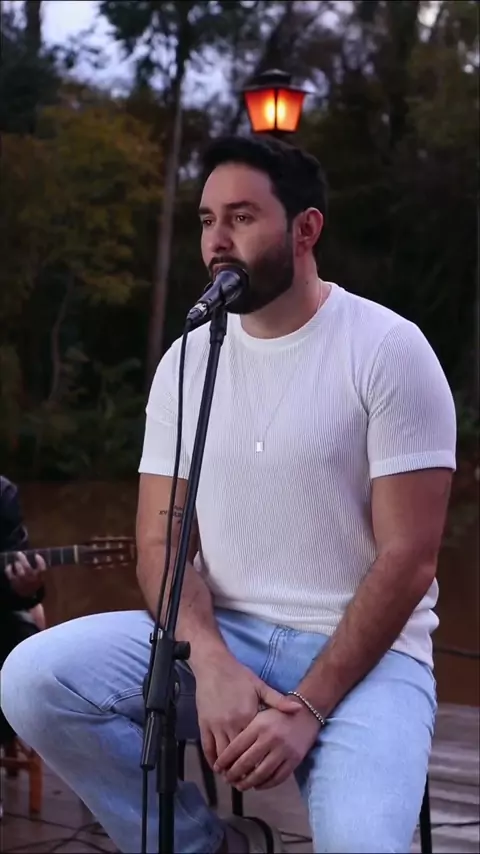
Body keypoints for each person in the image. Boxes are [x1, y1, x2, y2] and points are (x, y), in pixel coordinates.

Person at [1, 135, 456, 854]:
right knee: (34, 678)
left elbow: (409, 559)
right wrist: (209, 662)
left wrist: (307, 707)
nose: (217, 240)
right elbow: (160, 541)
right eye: (208, 220)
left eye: (242, 218)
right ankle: (202, 845)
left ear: (306, 228)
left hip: (370, 659)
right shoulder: (187, 360)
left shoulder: (388, 350)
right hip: (227, 634)